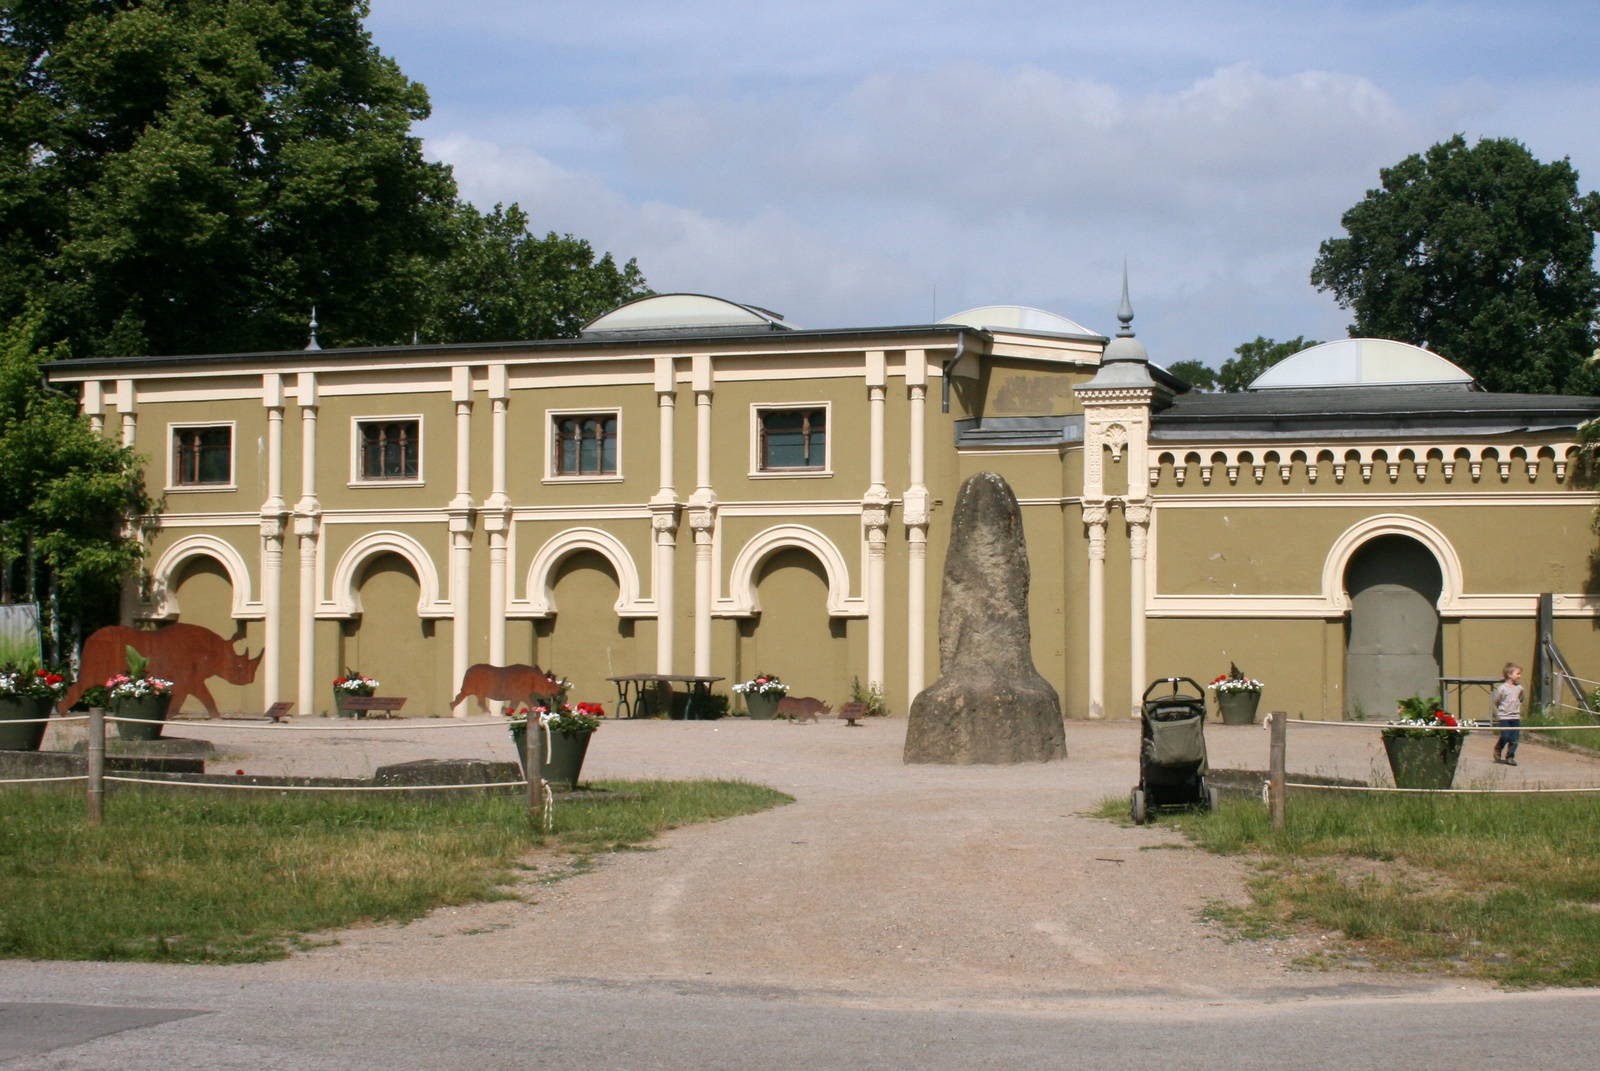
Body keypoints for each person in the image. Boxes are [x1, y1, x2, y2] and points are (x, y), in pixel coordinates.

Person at [1491, 662, 1524, 766]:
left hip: (1515, 716)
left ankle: (1510, 757)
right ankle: (1498, 748)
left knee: (1514, 739)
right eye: (1517, 674)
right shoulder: (1502, 688)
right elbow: (1497, 700)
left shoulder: (1520, 688)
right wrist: (1502, 710)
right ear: (1509, 675)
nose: (1520, 676)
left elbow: (1521, 699)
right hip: (1504, 717)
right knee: (1505, 736)